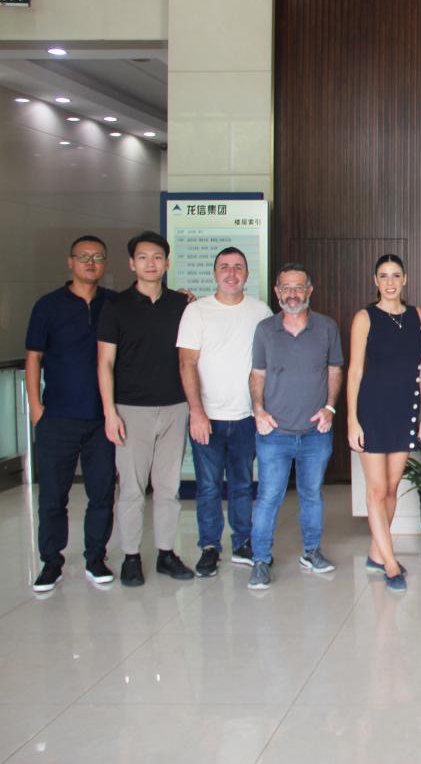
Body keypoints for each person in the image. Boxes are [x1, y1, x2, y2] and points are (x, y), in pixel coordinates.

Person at [97, 230, 194, 587]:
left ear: (167, 263)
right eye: (143, 257)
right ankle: (131, 557)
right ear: (131, 264)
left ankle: (166, 553)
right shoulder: (116, 306)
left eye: (157, 257)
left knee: (168, 487)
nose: (150, 263)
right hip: (130, 409)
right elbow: (105, 363)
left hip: (175, 407)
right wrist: (110, 412)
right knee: (132, 489)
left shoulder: (182, 305)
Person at [25, 235, 118, 591]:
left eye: (97, 257)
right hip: (58, 417)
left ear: (106, 263)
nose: (90, 263)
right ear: (70, 262)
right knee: (53, 496)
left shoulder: (113, 303)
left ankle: (96, 557)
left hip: (102, 419)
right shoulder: (48, 306)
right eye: (83, 257)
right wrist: (36, 408)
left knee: (101, 493)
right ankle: (51, 561)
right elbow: (34, 356)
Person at [177, 247, 272, 578]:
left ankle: (243, 542)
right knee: (208, 486)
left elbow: (267, 364)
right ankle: (209, 547)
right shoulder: (197, 312)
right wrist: (196, 412)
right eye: (225, 267)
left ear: (247, 274)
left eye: (238, 267)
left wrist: (262, 410)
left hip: (246, 417)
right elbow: (187, 363)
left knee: (243, 483)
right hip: (208, 417)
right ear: (215, 272)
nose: (231, 273)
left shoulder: (260, 311)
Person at [248, 263, 344, 590]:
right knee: (268, 497)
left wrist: (330, 408)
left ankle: (312, 552)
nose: (292, 294)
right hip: (274, 433)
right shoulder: (265, 330)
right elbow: (257, 374)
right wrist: (258, 410)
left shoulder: (327, 327)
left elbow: (334, 369)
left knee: (312, 495)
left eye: (298, 287)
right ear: (277, 292)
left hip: (315, 433)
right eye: (286, 287)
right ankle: (260, 561)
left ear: (309, 291)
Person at [347, 254, 421, 593]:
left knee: (392, 489)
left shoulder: (418, 316)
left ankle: (375, 554)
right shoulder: (364, 318)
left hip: (404, 409)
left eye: (396, 275)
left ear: (405, 279)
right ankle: (390, 562)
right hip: (372, 410)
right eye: (383, 276)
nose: (390, 282)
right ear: (376, 281)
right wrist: (352, 420)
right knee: (377, 490)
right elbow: (355, 371)